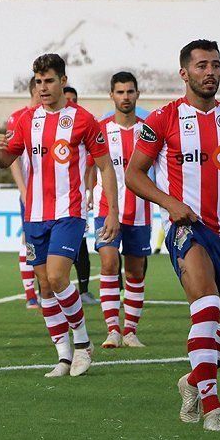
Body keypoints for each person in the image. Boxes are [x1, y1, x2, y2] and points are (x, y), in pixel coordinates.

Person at [125, 39, 220, 431]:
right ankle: (212, 408)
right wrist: (170, 204)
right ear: (184, 73)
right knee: (206, 304)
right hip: (187, 229)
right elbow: (133, 175)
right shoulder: (161, 119)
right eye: (200, 66)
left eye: (214, 65)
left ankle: (193, 380)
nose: (209, 72)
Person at [0, 53, 120, 378]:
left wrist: (112, 210)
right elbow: (7, 160)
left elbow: (105, 165)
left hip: (69, 212)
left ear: (63, 81)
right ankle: (63, 356)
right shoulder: (25, 120)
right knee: (45, 286)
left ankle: (83, 343)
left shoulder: (84, 120)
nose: (43, 87)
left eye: (49, 81)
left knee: (59, 277)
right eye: (39, 82)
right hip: (34, 215)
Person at [92, 72, 151, 349]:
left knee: (135, 272)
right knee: (108, 262)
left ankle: (130, 331)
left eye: (130, 92)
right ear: (111, 96)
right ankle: (112, 330)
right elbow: (88, 166)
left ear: (137, 95)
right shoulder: (100, 129)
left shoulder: (148, 130)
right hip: (106, 208)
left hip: (141, 210)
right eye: (120, 92)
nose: (125, 97)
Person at [7, 77, 41, 309]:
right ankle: (30, 295)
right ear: (34, 90)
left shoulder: (54, 116)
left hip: (53, 192)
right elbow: (12, 157)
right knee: (28, 239)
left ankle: (47, 292)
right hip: (30, 191)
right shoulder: (18, 118)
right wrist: (23, 190)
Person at [61, 86, 97, 305]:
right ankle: (45, 292)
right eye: (68, 99)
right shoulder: (47, 124)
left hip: (77, 199)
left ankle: (83, 290)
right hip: (51, 201)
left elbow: (93, 163)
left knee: (81, 246)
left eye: (74, 99)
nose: (71, 102)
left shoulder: (84, 122)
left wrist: (90, 190)